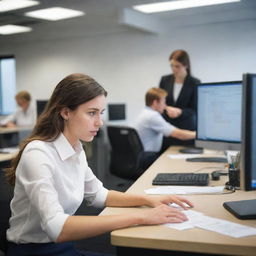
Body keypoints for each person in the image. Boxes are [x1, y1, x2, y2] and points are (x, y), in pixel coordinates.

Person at [5, 74, 193, 256]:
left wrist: (148, 200)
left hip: (62, 246)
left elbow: (99, 195)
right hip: (33, 250)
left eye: (100, 113)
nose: (100, 122)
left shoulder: (76, 148)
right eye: (91, 113)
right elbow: (57, 227)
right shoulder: (38, 154)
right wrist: (142, 217)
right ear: (65, 112)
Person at [134, 87, 195, 159]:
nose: (165, 106)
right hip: (148, 157)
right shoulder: (152, 116)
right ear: (155, 102)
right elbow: (179, 134)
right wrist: (198, 134)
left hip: (142, 156)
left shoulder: (145, 112)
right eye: (164, 102)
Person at [159, 49, 200, 149]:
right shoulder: (165, 80)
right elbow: (159, 102)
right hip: (168, 129)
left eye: (177, 66)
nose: (173, 69)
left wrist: (180, 112)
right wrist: (166, 108)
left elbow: (195, 109)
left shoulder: (194, 82)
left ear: (186, 65)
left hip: (186, 129)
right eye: (171, 66)